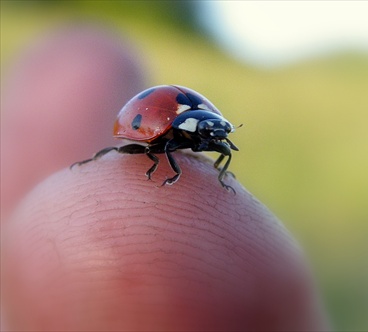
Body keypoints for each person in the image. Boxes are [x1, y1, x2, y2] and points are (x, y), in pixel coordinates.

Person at [1, 25, 330, 331]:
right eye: (209, 131)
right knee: (136, 152)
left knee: (219, 153)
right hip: (154, 129)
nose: (213, 138)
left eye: (215, 132)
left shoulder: (200, 125)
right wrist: (172, 170)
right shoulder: (169, 129)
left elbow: (216, 143)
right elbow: (165, 140)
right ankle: (104, 162)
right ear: (191, 127)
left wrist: (219, 168)